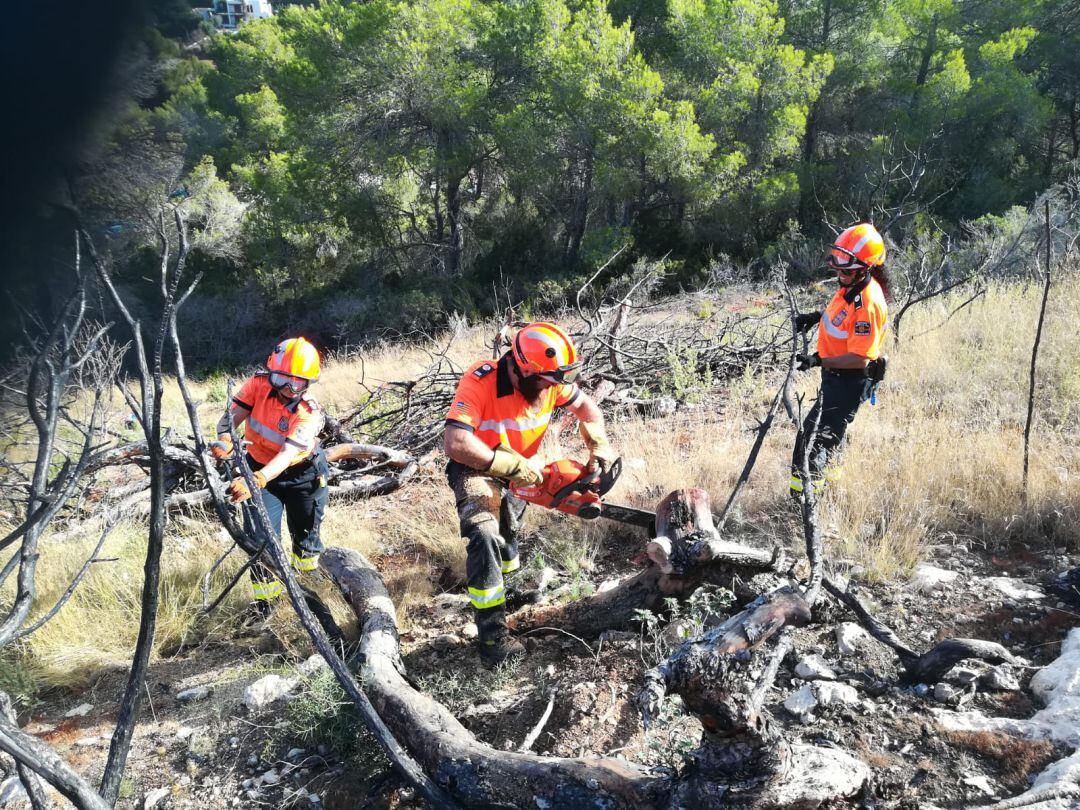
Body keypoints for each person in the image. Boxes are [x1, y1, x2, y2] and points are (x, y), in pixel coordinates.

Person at [443, 322, 617, 667]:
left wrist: (599, 446)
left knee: (509, 538)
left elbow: (588, 410)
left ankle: (511, 587)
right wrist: (502, 464)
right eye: (548, 380)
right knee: (485, 533)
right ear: (523, 367)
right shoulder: (482, 380)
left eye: (559, 380)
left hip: (521, 467)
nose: (554, 388)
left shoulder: (552, 380)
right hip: (477, 467)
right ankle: (492, 639)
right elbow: (455, 442)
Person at [212, 337, 330, 613]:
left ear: (308, 383)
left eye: (298, 382)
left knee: (306, 533)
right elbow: (227, 422)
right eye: (281, 379)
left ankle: (309, 589)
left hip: (303, 474)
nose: (289, 388)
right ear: (271, 373)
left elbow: (287, 455)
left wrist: (257, 480)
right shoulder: (257, 386)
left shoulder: (308, 412)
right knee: (261, 536)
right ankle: (267, 603)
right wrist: (225, 442)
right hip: (259, 468)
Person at [790, 222, 890, 498]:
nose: (839, 274)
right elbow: (839, 314)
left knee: (811, 442)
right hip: (836, 378)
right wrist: (814, 318)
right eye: (839, 269)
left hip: (848, 381)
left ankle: (805, 501)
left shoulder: (868, 303)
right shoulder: (850, 287)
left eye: (846, 271)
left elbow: (859, 359)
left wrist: (818, 361)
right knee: (830, 435)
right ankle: (829, 489)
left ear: (864, 269)